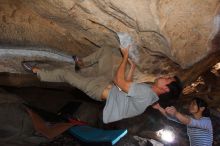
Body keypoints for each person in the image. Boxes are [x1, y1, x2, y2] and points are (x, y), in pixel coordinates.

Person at [22, 46, 182, 123]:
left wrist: (125, 56)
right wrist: (131, 67)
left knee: (66, 74)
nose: (165, 77)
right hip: (108, 84)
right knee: (106, 51)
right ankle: (83, 63)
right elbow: (128, 84)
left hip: (97, 90)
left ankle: (37, 72)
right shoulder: (149, 91)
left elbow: (121, 82)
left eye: (168, 79)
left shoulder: (148, 94)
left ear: (166, 88)